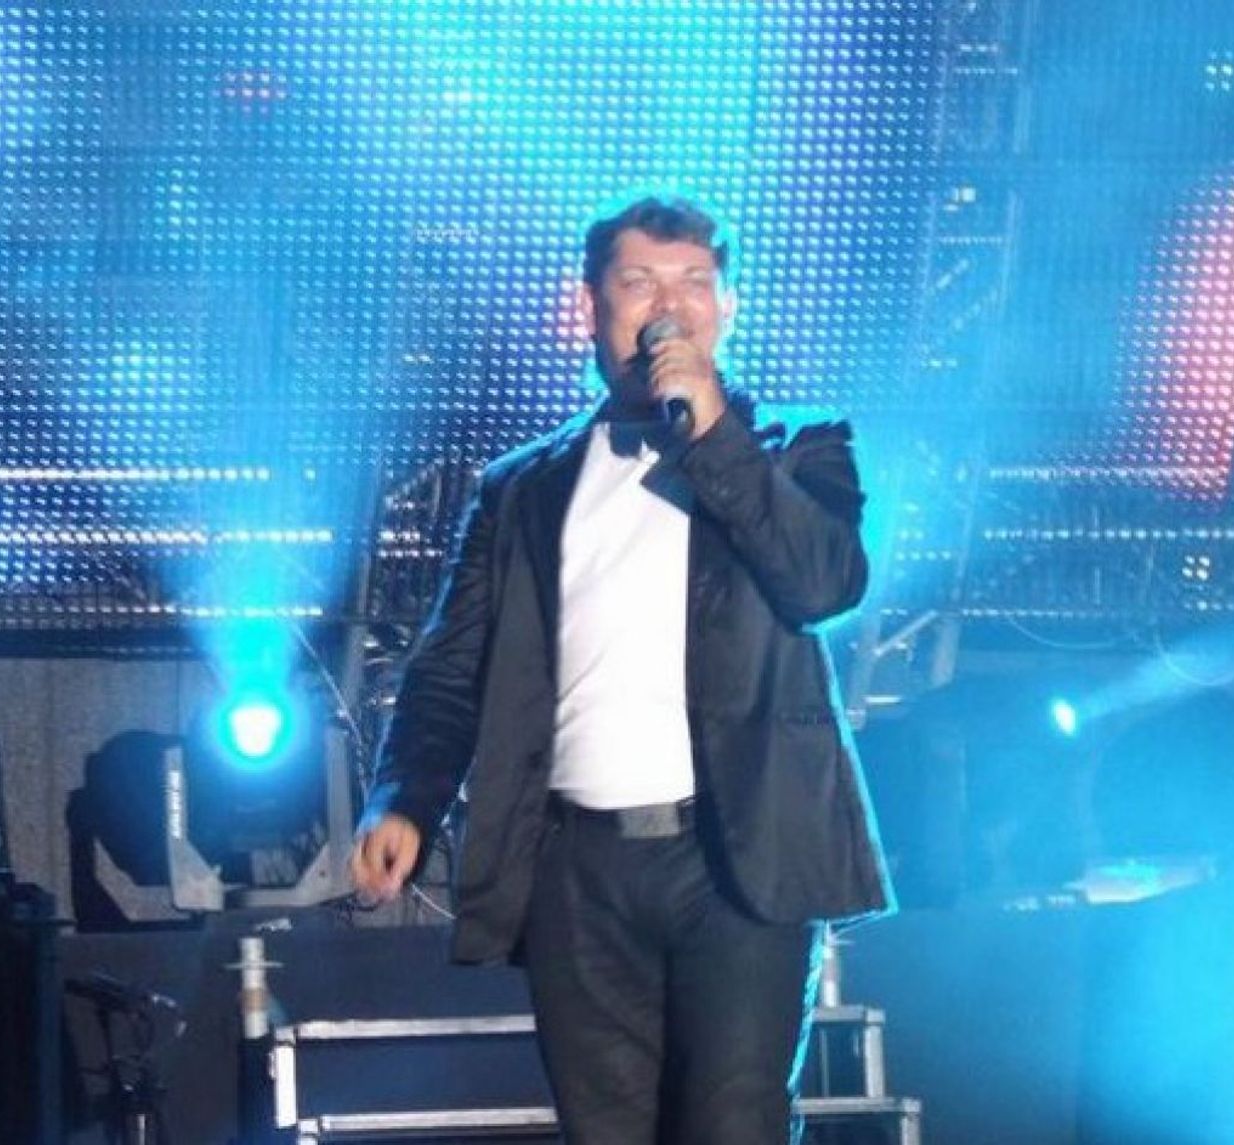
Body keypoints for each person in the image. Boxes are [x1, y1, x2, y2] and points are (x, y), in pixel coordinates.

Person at [349, 192, 893, 1145]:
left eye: (694, 283)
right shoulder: (524, 486)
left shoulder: (800, 447)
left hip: (735, 857)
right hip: (579, 865)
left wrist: (714, 433)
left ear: (728, 306)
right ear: (589, 305)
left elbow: (822, 582)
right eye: (640, 281)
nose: (669, 306)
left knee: (732, 1124)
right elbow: (453, 663)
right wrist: (405, 798)